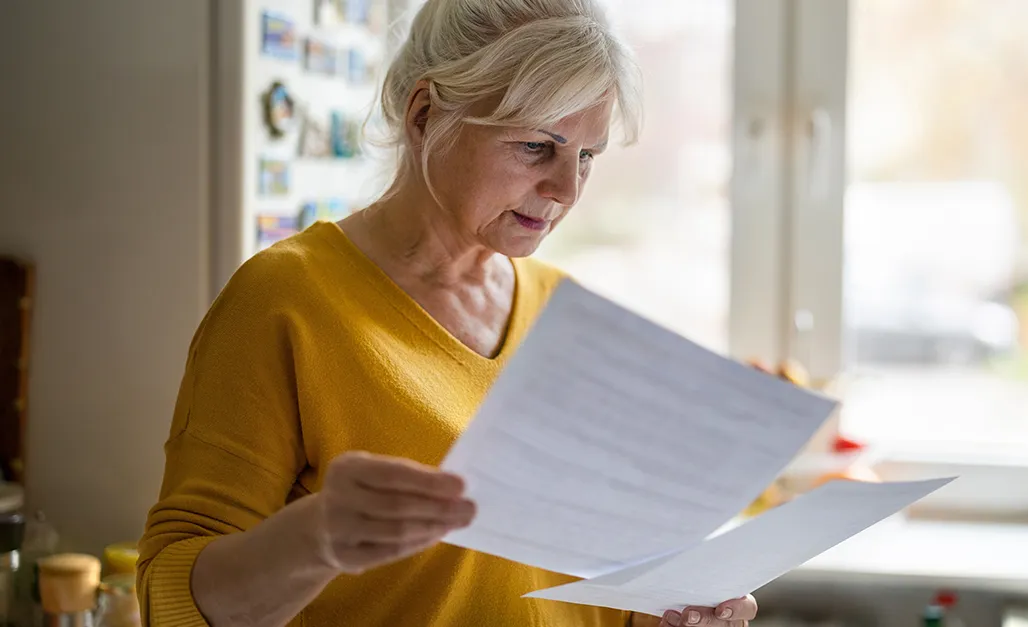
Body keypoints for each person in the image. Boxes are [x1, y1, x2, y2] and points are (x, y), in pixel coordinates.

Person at [137, 1, 759, 625]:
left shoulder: (564, 312)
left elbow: (577, 587)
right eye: (538, 146)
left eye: (587, 156)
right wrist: (316, 538)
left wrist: (664, 611)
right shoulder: (286, 299)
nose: (567, 190)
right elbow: (172, 594)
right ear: (425, 115)